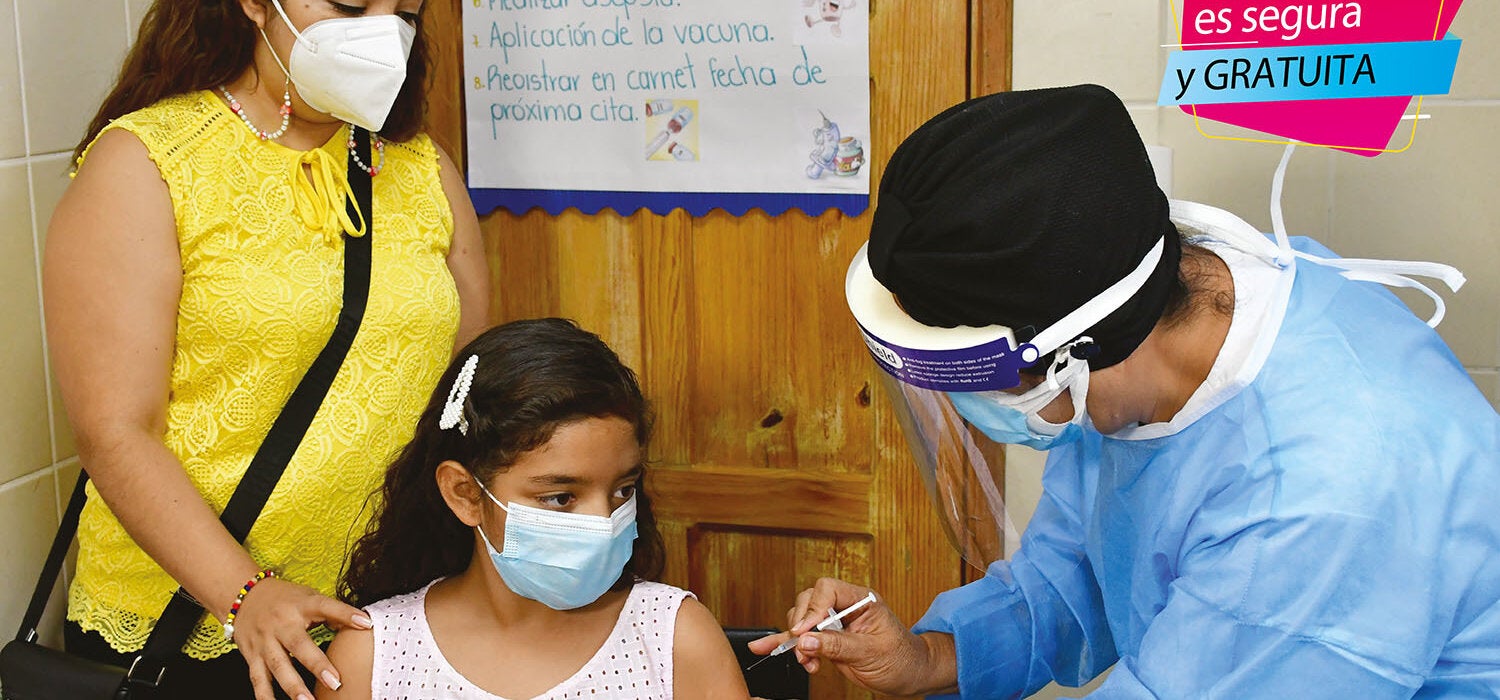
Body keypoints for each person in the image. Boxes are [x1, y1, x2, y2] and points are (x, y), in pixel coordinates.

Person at [750, 84, 1500, 697]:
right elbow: (1078, 563)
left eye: (986, 385)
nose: (980, 411)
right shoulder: (1139, 347)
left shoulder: (1321, 491)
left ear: (1075, 356)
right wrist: (927, 658)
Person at [42, 0, 489, 698]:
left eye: (402, 11)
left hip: (384, 620)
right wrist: (244, 594)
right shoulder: (146, 163)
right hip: (193, 625)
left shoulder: (422, 168)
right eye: (348, 4)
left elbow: (471, 396)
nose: (379, 30)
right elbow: (115, 432)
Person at [316, 318, 749, 699]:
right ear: (465, 493)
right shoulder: (376, 657)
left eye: (621, 491)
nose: (602, 523)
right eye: (560, 497)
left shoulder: (673, 638)